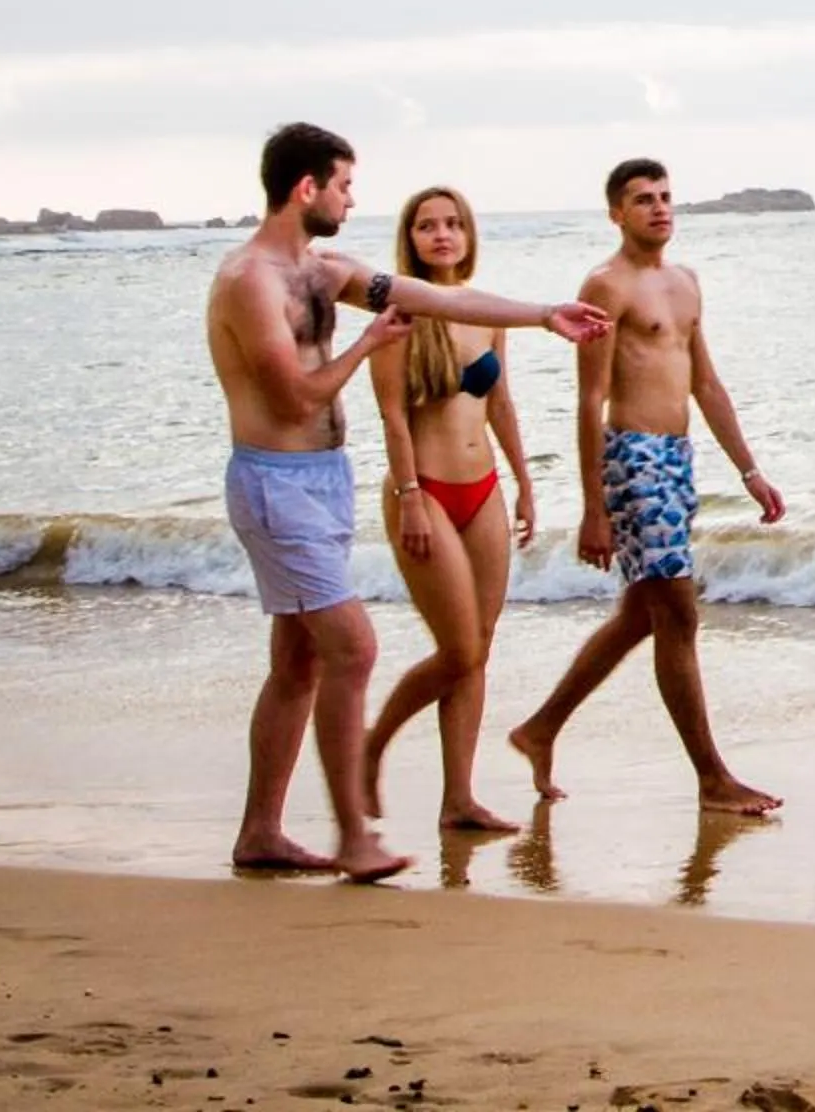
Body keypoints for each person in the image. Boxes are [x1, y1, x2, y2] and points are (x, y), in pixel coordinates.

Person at [205, 122, 607, 883]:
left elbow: (426, 295)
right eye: (344, 186)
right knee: (352, 650)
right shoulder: (249, 281)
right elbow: (292, 399)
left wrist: (541, 314)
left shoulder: (323, 272)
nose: (351, 201)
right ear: (306, 189)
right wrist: (368, 346)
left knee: (297, 661)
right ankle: (357, 835)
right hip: (274, 480)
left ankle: (261, 832)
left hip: (321, 481)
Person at [508, 158, 787, 816]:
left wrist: (750, 471)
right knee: (679, 615)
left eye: (665, 197)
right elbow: (590, 399)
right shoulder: (605, 285)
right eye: (642, 200)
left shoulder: (686, 284)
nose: (659, 208)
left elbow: (706, 384)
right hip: (632, 457)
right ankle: (713, 779)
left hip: (678, 456)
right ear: (617, 213)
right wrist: (592, 509)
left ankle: (540, 729)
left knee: (642, 614)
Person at [362, 185, 538, 834]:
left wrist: (523, 480)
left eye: (453, 224)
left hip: (482, 488)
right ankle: (373, 743)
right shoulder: (399, 317)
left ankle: (458, 799)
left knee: (480, 649)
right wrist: (409, 496)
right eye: (428, 226)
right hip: (425, 492)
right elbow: (391, 416)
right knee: (458, 649)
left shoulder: (483, 311)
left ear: (469, 235)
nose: (442, 235)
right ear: (408, 239)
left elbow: (501, 403)